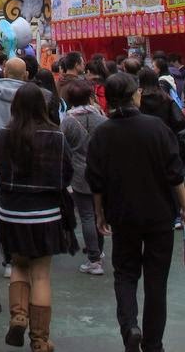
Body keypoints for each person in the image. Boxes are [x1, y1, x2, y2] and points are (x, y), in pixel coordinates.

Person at [87, 72, 185, 352]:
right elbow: (174, 173)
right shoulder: (157, 128)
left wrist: (99, 212)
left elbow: (96, 180)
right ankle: (153, 343)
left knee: (125, 273)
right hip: (160, 213)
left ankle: (130, 326)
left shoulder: (102, 133)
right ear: (135, 95)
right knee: (157, 281)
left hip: (122, 213)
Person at [0, 83, 74, 352]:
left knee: (18, 265)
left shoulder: (4, 135)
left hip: (11, 211)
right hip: (45, 213)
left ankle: (18, 315)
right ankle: (40, 340)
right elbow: (67, 173)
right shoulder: (56, 135)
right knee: (40, 274)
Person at [60, 79, 107, 276]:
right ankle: (99, 250)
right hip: (101, 171)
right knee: (99, 213)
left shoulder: (68, 121)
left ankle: (94, 259)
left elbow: (62, 148)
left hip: (79, 173)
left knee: (86, 215)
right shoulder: (102, 119)